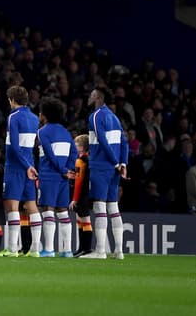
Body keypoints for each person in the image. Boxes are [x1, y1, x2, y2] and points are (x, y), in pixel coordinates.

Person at [85, 86, 129, 260]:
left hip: (102, 166)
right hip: (114, 169)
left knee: (99, 207)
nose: (89, 96)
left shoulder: (95, 116)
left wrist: (115, 162)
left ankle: (100, 251)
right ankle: (119, 251)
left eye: (91, 94)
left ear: (97, 97)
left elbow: (102, 140)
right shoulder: (114, 117)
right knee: (113, 207)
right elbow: (124, 142)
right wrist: (123, 163)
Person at [2, 85, 40, 257]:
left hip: (17, 167)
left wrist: (25, 166)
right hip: (30, 165)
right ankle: (35, 249)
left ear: (12, 100)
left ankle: (12, 248)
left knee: (13, 206)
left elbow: (15, 147)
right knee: (31, 205)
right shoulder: (34, 118)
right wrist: (30, 166)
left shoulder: (13, 117)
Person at [37, 98, 77, 258]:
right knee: (62, 211)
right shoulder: (65, 132)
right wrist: (68, 169)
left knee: (47, 210)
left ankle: (48, 249)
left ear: (44, 115)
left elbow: (49, 153)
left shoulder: (42, 131)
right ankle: (67, 250)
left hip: (49, 175)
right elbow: (74, 152)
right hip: (63, 178)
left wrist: (61, 170)